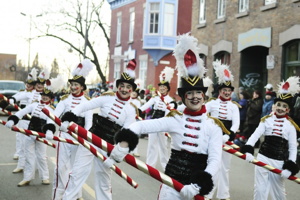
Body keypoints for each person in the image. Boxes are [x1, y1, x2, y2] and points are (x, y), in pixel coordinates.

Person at [104, 33, 223, 200]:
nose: (195, 97)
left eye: (198, 93)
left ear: (204, 96)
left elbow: (215, 160)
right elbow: (143, 126)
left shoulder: (213, 127)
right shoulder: (175, 119)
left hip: (199, 188)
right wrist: (124, 143)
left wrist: (197, 185)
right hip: (171, 184)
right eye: (190, 93)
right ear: (183, 97)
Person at [60, 59, 138, 200]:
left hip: (108, 147)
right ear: (117, 86)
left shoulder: (131, 110)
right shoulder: (106, 98)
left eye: (128, 87)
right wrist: (70, 116)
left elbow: (126, 134)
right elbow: (85, 106)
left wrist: (115, 156)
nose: (124, 89)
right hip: (90, 140)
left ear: (132, 89)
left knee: (104, 182)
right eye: (122, 86)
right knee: (77, 174)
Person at [241, 76, 300, 200]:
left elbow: (293, 148)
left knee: (278, 192)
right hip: (263, 157)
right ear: (274, 106)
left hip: (279, 161)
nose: (280, 108)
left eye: (284, 106)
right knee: (260, 189)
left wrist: (290, 165)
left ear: (288, 109)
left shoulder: (290, 126)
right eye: (278, 104)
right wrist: (248, 148)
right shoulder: (266, 121)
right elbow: (256, 134)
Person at [4, 72, 63, 187]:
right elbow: (22, 112)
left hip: (41, 134)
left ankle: (45, 177)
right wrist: (13, 120)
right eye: (43, 96)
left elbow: (51, 120)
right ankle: (27, 178)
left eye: (47, 96)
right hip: (29, 133)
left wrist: (49, 130)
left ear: (51, 98)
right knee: (28, 155)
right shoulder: (34, 105)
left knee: (41, 157)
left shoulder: (51, 109)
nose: (44, 97)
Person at [50, 59, 93, 200]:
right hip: (64, 137)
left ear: (82, 87)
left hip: (79, 139)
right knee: (60, 168)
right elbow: (54, 116)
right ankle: (59, 195)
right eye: (72, 84)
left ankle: (74, 194)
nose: (73, 87)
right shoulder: (64, 100)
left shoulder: (87, 102)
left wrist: (85, 139)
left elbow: (89, 123)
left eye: (76, 85)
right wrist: (51, 128)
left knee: (76, 170)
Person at [205, 60, 240, 200]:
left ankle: (223, 194)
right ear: (219, 91)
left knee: (225, 168)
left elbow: (236, 124)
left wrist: (229, 135)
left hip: (227, 139)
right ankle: (207, 193)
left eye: (229, 90)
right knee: (212, 164)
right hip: (212, 137)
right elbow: (203, 115)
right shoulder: (212, 103)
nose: (226, 92)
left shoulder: (234, 106)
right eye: (224, 90)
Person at [138, 66, 176, 170]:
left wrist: (166, 127)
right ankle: (150, 165)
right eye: (161, 87)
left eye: (164, 87)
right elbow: (145, 105)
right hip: (153, 122)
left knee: (163, 146)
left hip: (163, 124)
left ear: (167, 88)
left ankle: (165, 166)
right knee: (151, 144)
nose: (162, 89)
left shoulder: (170, 100)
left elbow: (168, 114)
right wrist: (138, 110)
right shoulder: (155, 98)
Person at [129, 87, 142, 157]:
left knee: (134, 135)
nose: (133, 94)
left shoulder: (137, 102)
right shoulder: (128, 99)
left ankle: (135, 151)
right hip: (127, 118)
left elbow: (138, 110)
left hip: (134, 119)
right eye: (133, 93)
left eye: (135, 93)